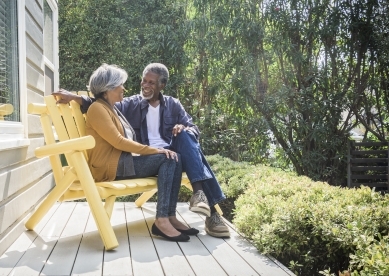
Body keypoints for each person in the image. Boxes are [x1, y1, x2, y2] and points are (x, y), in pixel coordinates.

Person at [53, 63, 230, 238]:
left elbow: (194, 129)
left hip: (166, 151)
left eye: (151, 82)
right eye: (143, 81)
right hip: (139, 157)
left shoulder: (173, 105)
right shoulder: (127, 105)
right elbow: (101, 106)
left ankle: (180, 208)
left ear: (162, 85)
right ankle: (201, 212)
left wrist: (182, 129)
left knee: (185, 137)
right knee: (175, 157)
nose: (144, 85)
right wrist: (75, 98)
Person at [83, 63, 199, 242]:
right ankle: (162, 220)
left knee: (174, 158)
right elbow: (119, 142)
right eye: (120, 84)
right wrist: (155, 150)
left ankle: (169, 216)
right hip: (110, 168)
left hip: (122, 163)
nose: (124, 88)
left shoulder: (111, 108)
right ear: (108, 89)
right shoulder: (98, 109)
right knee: (167, 158)